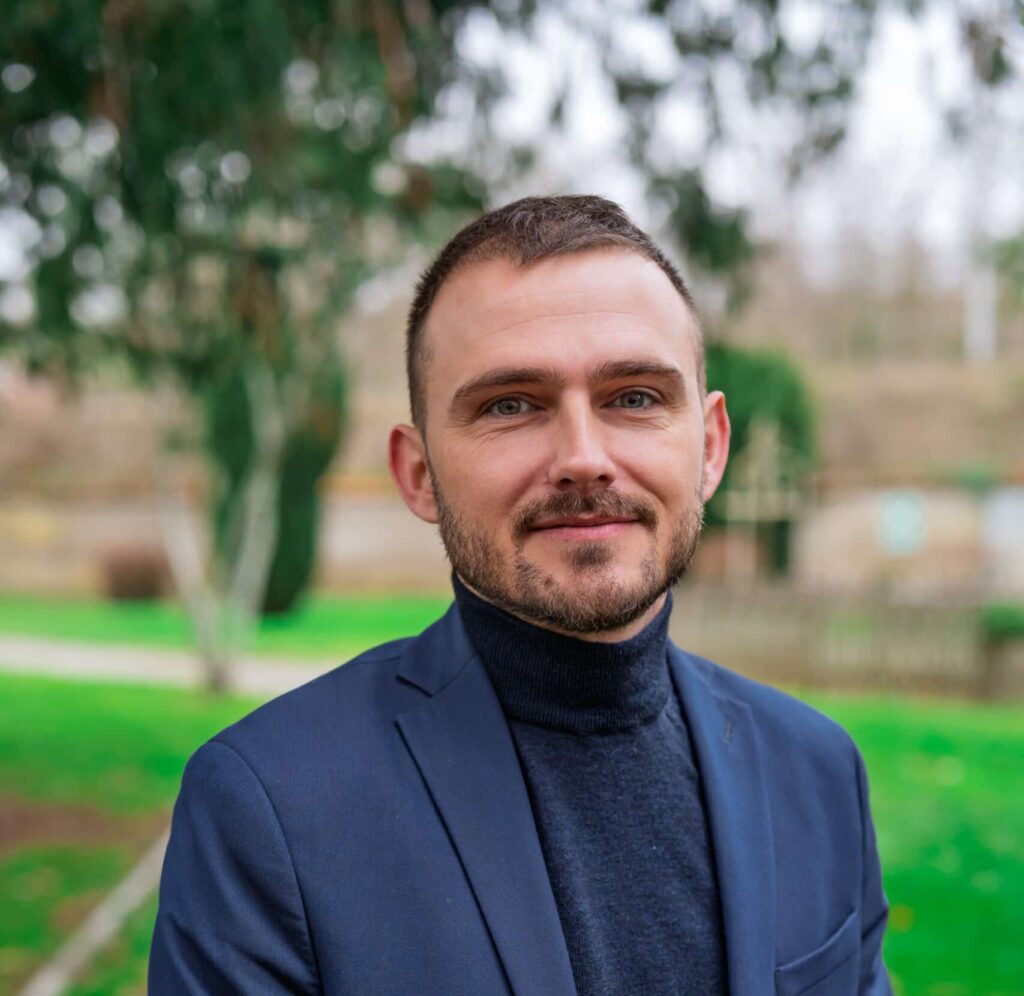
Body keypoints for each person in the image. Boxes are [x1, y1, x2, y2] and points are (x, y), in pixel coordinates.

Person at [149, 195, 892, 995]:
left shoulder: (817, 774)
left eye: (635, 397)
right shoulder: (270, 807)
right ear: (419, 474)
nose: (583, 458)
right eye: (511, 406)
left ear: (710, 449)